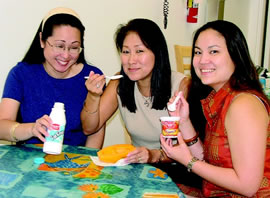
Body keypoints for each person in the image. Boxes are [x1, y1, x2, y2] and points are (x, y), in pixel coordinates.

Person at [81, 18, 203, 188]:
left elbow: (193, 148)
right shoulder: (119, 83)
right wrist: (93, 97)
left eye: (139, 51)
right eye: (125, 52)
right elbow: (89, 127)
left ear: (157, 53)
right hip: (138, 170)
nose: (131, 60)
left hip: (178, 171)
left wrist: (153, 155)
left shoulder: (181, 86)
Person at [161, 20, 270, 197]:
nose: (203, 60)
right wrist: (184, 122)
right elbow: (210, 161)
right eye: (198, 52)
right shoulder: (220, 98)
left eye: (214, 51)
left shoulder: (244, 104)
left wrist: (188, 161)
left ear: (235, 55)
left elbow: (247, 186)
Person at [0, 7, 105, 148]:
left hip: (75, 162)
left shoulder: (92, 77)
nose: (66, 55)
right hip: (29, 161)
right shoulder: (21, 74)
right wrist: (31, 129)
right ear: (42, 40)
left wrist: (85, 163)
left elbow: (95, 131)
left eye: (74, 48)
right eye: (59, 46)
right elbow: (2, 126)